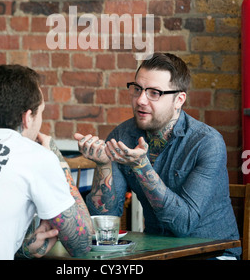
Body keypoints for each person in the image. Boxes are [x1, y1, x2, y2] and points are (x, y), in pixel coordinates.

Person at [74, 52, 241, 259]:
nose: (141, 100)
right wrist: (104, 164)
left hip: (213, 252)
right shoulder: (122, 136)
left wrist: (142, 166)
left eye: (154, 93)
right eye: (137, 89)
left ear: (179, 100)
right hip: (155, 252)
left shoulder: (206, 142)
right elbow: (104, 218)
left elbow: (183, 225)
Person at [0, 64, 92, 260]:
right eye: (40, 112)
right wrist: (60, 163)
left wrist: (23, 248)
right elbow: (82, 244)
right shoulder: (36, 156)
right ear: (27, 118)